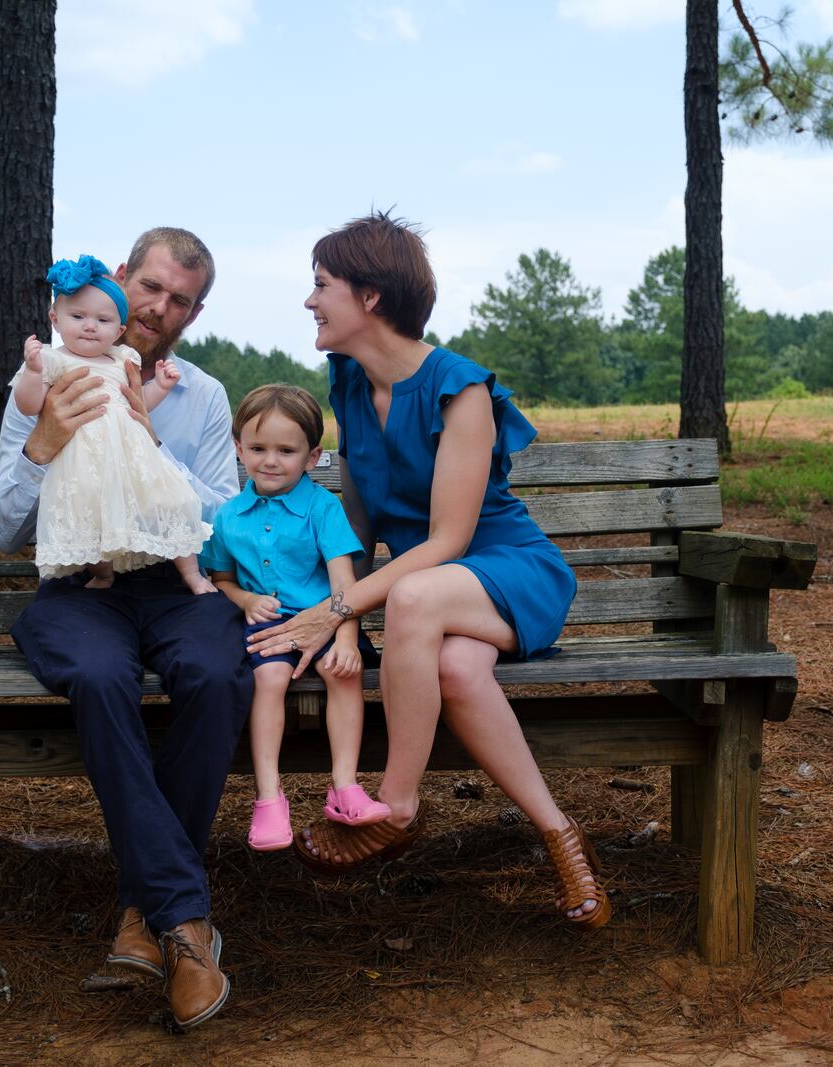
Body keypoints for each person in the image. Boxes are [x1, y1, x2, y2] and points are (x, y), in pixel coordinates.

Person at [247, 212, 609, 930]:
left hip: (504, 569)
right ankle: (561, 837)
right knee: (460, 672)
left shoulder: (460, 389)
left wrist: (343, 609)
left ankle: (398, 806)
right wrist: (322, 599)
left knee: (414, 595)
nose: (310, 300)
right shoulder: (349, 380)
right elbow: (359, 522)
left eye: (321, 285)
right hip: (435, 592)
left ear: (371, 296)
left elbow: (448, 538)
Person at [0, 228, 247, 1028]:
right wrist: (42, 444)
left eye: (181, 301)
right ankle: (184, 921)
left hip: (173, 582)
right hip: (80, 587)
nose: (159, 308)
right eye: (152, 287)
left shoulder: (196, 394)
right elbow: (3, 528)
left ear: (194, 313)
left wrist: (148, 431)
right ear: (123, 275)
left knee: (214, 669)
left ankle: (142, 912)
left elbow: (229, 520)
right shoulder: (44, 377)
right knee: (97, 676)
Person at [198, 384, 389, 852]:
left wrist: (346, 639)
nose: (270, 460)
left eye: (286, 450)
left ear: (311, 457)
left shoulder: (323, 508)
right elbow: (220, 577)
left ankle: (344, 787)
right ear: (238, 448)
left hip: (329, 616)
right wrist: (244, 600)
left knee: (342, 673)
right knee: (269, 680)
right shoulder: (228, 517)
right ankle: (268, 798)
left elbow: (346, 583)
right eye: (258, 448)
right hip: (268, 623)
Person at [11, 253, 214, 594]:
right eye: (78, 316)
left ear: (118, 328)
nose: (90, 326)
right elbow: (28, 404)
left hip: (135, 459)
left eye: (102, 321)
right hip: (87, 464)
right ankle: (103, 575)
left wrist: (161, 387)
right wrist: (32, 373)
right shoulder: (52, 361)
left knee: (176, 499)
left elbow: (137, 406)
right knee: (94, 517)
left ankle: (192, 574)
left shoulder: (121, 361)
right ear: (55, 319)